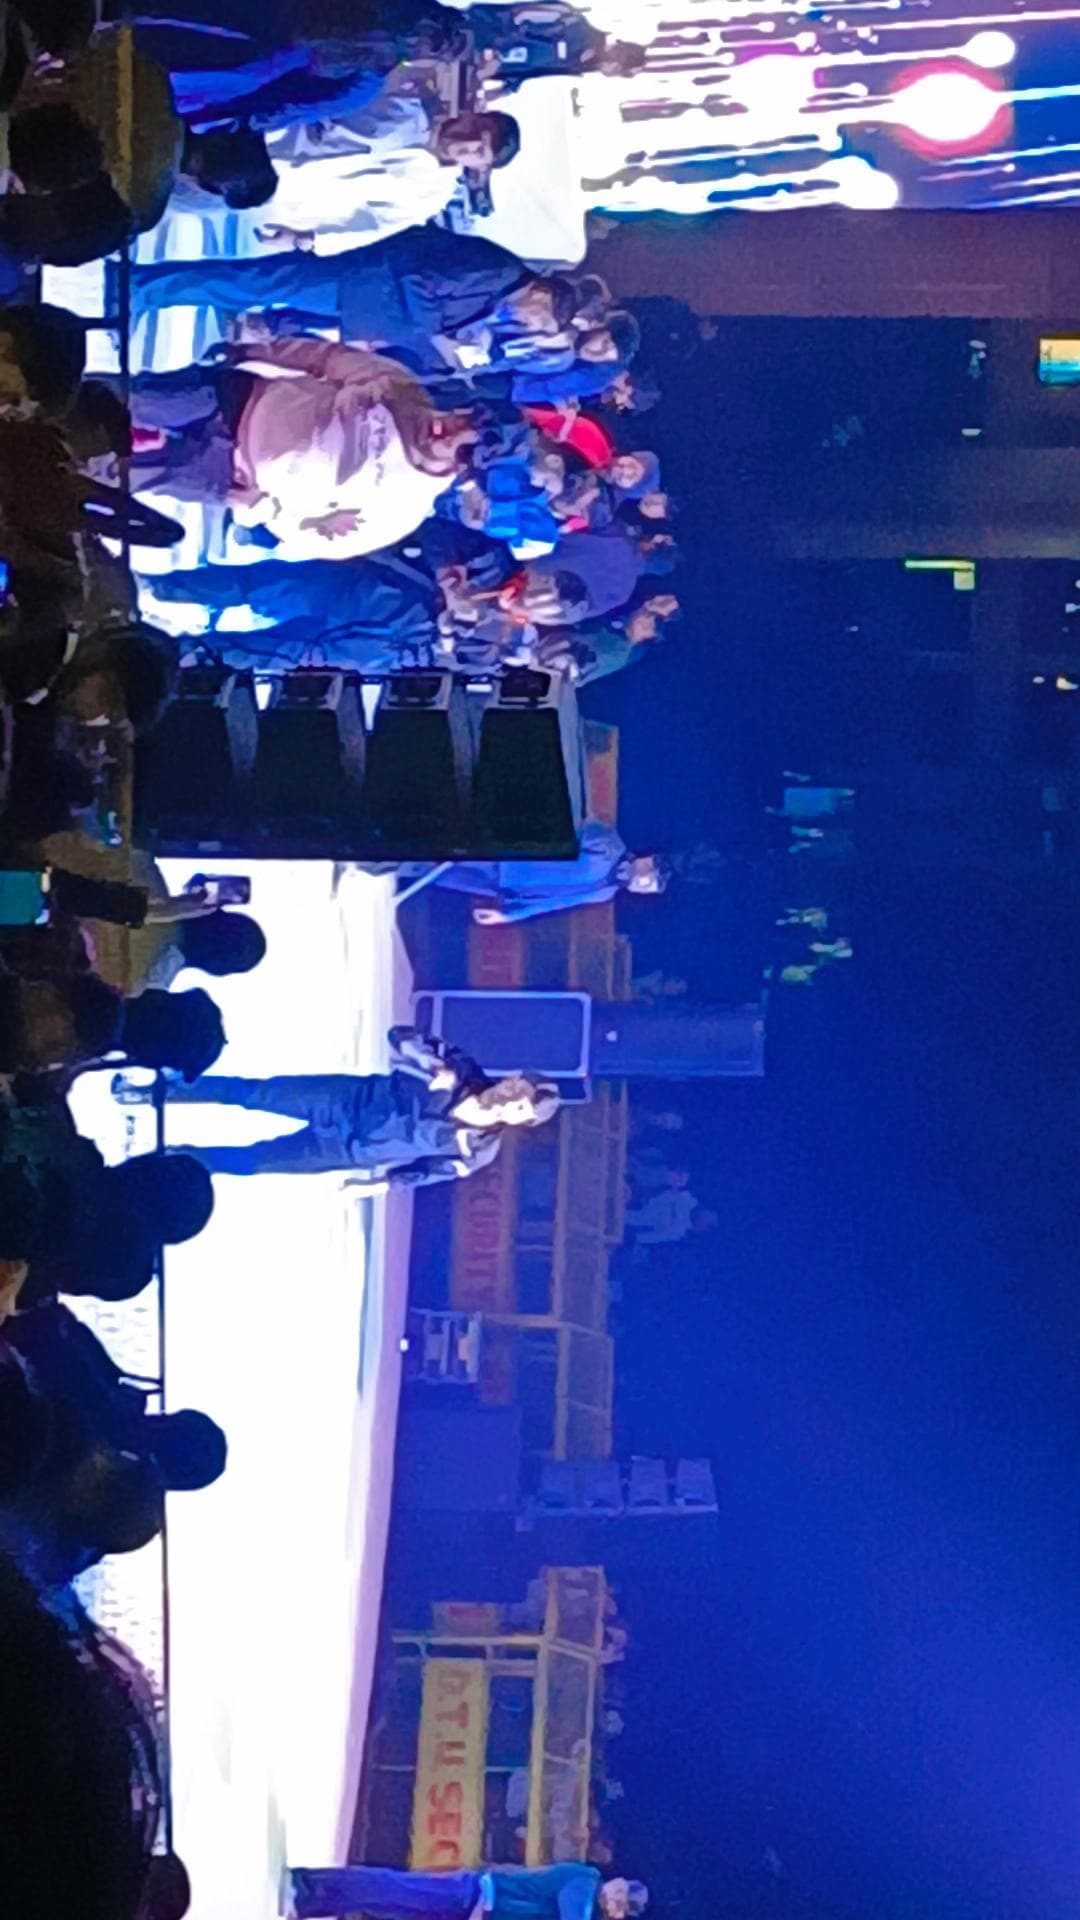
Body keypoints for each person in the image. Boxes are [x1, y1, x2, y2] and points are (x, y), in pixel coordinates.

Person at [131, 340, 474, 560]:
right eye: (464, 418)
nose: (452, 427)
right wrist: (251, 352)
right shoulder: (404, 390)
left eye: (461, 440)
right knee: (122, 401)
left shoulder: (403, 509)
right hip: (233, 400)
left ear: (464, 467)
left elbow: (323, 541)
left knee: (120, 469)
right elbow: (326, 358)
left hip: (226, 475)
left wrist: (264, 511)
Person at [115, 1026, 559, 1183]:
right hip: (346, 1099)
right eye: (516, 1083)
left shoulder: (479, 1150)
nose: (509, 1092)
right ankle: (157, 1090)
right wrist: (430, 1062)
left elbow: (425, 1173)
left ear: (522, 1120)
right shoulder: (462, 1067)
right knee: (253, 1093)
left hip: (347, 1150)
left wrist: (378, 1185)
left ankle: (177, 1163)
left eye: (519, 1101)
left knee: (256, 1161)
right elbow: (401, 1035)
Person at [127, 224, 559, 373]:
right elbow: (419, 278)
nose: (530, 325)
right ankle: (145, 287)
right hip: (360, 280)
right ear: (542, 295)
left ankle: (149, 288)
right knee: (255, 282)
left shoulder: (501, 286)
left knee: (255, 284)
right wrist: (436, 334)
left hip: (362, 297)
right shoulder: (498, 271)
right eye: (541, 321)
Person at [244, 96, 520, 254]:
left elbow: (375, 226)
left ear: (480, 168)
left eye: (479, 151)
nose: (468, 142)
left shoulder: (432, 194)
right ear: (473, 115)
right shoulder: (408, 109)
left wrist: (306, 239)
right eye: (476, 130)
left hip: (272, 197)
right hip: (263, 139)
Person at [140, 552, 440, 671]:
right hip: (384, 594)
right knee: (267, 586)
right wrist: (449, 573)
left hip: (389, 655)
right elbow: (439, 530)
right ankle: (154, 588)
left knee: (277, 652)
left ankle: (169, 652)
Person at [433, 822, 667, 924]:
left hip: (507, 887)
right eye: (649, 881)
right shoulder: (607, 843)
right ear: (647, 861)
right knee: (438, 848)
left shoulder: (606, 892)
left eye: (648, 889)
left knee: (435, 876)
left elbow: (556, 903)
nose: (643, 886)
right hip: (504, 856)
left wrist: (510, 915)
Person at [281, 1865, 648, 1920]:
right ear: (618, 1881)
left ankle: (311, 1904)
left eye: (623, 1906)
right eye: (622, 1893)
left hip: (470, 1914)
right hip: (472, 1895)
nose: (617, 1900)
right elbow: (573, 1911)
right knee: (393, 1888)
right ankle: (307, 1884)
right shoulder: (585, 1881)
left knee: (386, 1905)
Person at [471, 3, 645, 84]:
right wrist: (492, 48)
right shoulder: (571, 20)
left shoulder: (579, 67)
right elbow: (519, 15)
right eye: (620, 70)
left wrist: (506, 88)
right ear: (618, 57)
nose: (614, 74)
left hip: (475, 69)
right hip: (471, 33)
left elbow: (535, 70)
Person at [625, 1190, 718, 1245]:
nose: (706, 1216)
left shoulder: (678, 1232)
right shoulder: (686, 1197)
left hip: (627, 1219)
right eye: (709, 1213)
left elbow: (646, 1237)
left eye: (709, 1221)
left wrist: (636, 1237)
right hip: (632, 1194)